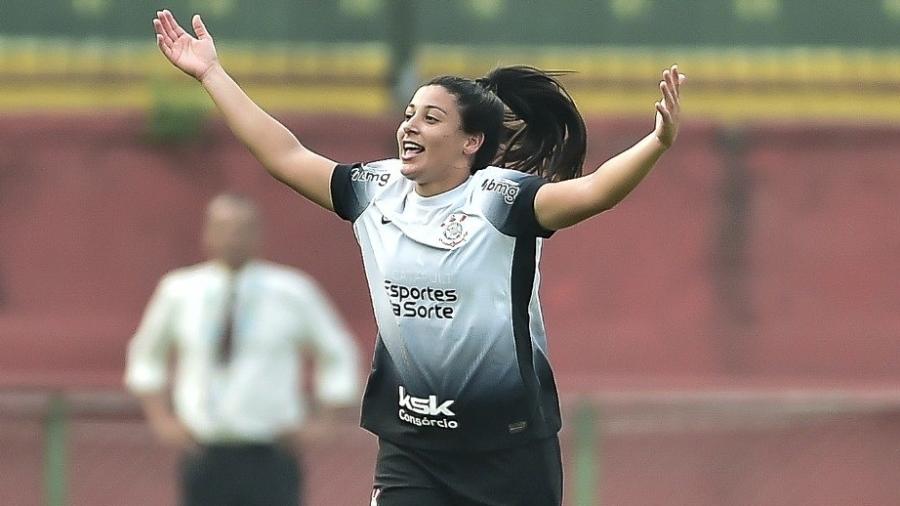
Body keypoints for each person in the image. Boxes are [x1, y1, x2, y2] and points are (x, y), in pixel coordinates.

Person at [151, 9, 685, 506]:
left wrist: (657, 141)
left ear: (470, 141)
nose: (409, 127)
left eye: (431, 118)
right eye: (409, 114)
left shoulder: (500, 199)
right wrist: (212, 75)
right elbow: (285, 155)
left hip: (508, 447)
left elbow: (594, 193)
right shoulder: (374, 191)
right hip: (412, 446)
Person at [124, 193, 360, 506]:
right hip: (204, 450)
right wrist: (162, 419)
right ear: (207, 233)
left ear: (258, 234)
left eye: (242, 228)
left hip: (271, 452)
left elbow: (337, 352)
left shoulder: (292, 292)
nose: (232, 237)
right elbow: (146, 355)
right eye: (223, 227)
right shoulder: (179, 291)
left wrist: (324, 421)